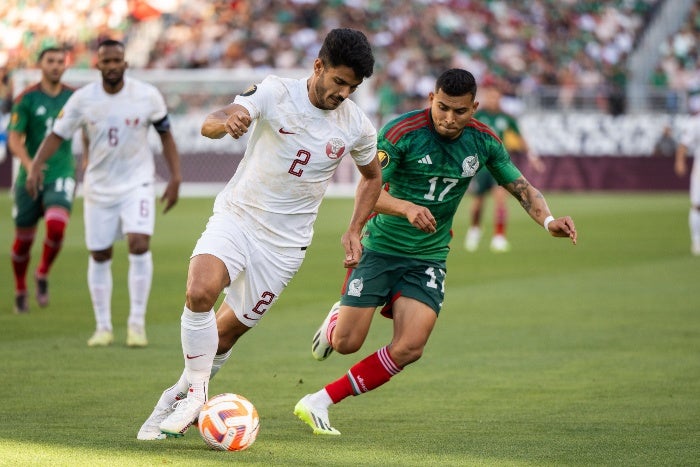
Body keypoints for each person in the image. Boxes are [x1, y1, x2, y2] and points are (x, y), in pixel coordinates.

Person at [294, 68, 577, 436]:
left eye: (459, 111)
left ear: (473, 108)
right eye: (442, 107)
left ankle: (319, 401)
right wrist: (406, 208)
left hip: (428, 257)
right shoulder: (401, 133)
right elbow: (369, 190)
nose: (449, 118)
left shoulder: (484, 141)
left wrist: (548, 221)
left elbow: (521, 188)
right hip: (380, 248)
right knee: (347, 343)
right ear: (431, 98)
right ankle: (336, 321)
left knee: (410, 347)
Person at [136, 28, 382, 440]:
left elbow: (372, 177)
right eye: (339, 81)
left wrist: (355, 228)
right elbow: (210, 124)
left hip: (284, 246)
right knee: (200, 290)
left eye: (352, 87)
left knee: (226, 333)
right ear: (318, 66)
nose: (344, 93)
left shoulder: (356, 125)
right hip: (238, 216)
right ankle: (197, 393)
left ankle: (175, 395)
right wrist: (228, 122)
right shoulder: (274, 92)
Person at [26, 39, 182, 346]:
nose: (111, 66)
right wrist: (35, 167)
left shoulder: (147, 96)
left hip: (137, 182)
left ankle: (136, 324)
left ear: (125, 64)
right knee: (100, 253)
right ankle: (103, 327)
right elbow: (57, 135)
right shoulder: (83, 100)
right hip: (99, 186)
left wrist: (176, 177)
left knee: (139, 243)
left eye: (116, 61)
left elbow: (166, 135)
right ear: (97, 65)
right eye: (106, 62)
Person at [8, 47, 76, 314]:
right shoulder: (26, 99)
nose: (56, 66)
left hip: (61, 172)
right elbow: (14, 138)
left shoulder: (73, 98)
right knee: (23, 239)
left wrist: (89, 155)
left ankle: (43, 271)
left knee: (57, 226)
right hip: (29, 178)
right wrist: (29, 166)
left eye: (61, 61)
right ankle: (21, 287)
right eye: (51, 61)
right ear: (40, 64)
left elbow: (88, 127)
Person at [464, 77, 545, 253]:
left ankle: (499, 236)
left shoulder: (506, 117)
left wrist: (532, 156)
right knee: (477, 202)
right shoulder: (477, 115)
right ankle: (475, 229)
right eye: (490, 96)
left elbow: (521, 138)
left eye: (496, 97)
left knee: (501, 200)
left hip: (498, 164)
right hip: (480, 165)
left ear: (500, 98)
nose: (493, 100)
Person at [674, 112, 700, 255]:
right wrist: (680, 161)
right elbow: (684, 144)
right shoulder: (696, 122)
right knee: (697, 205)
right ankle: (697, 240)